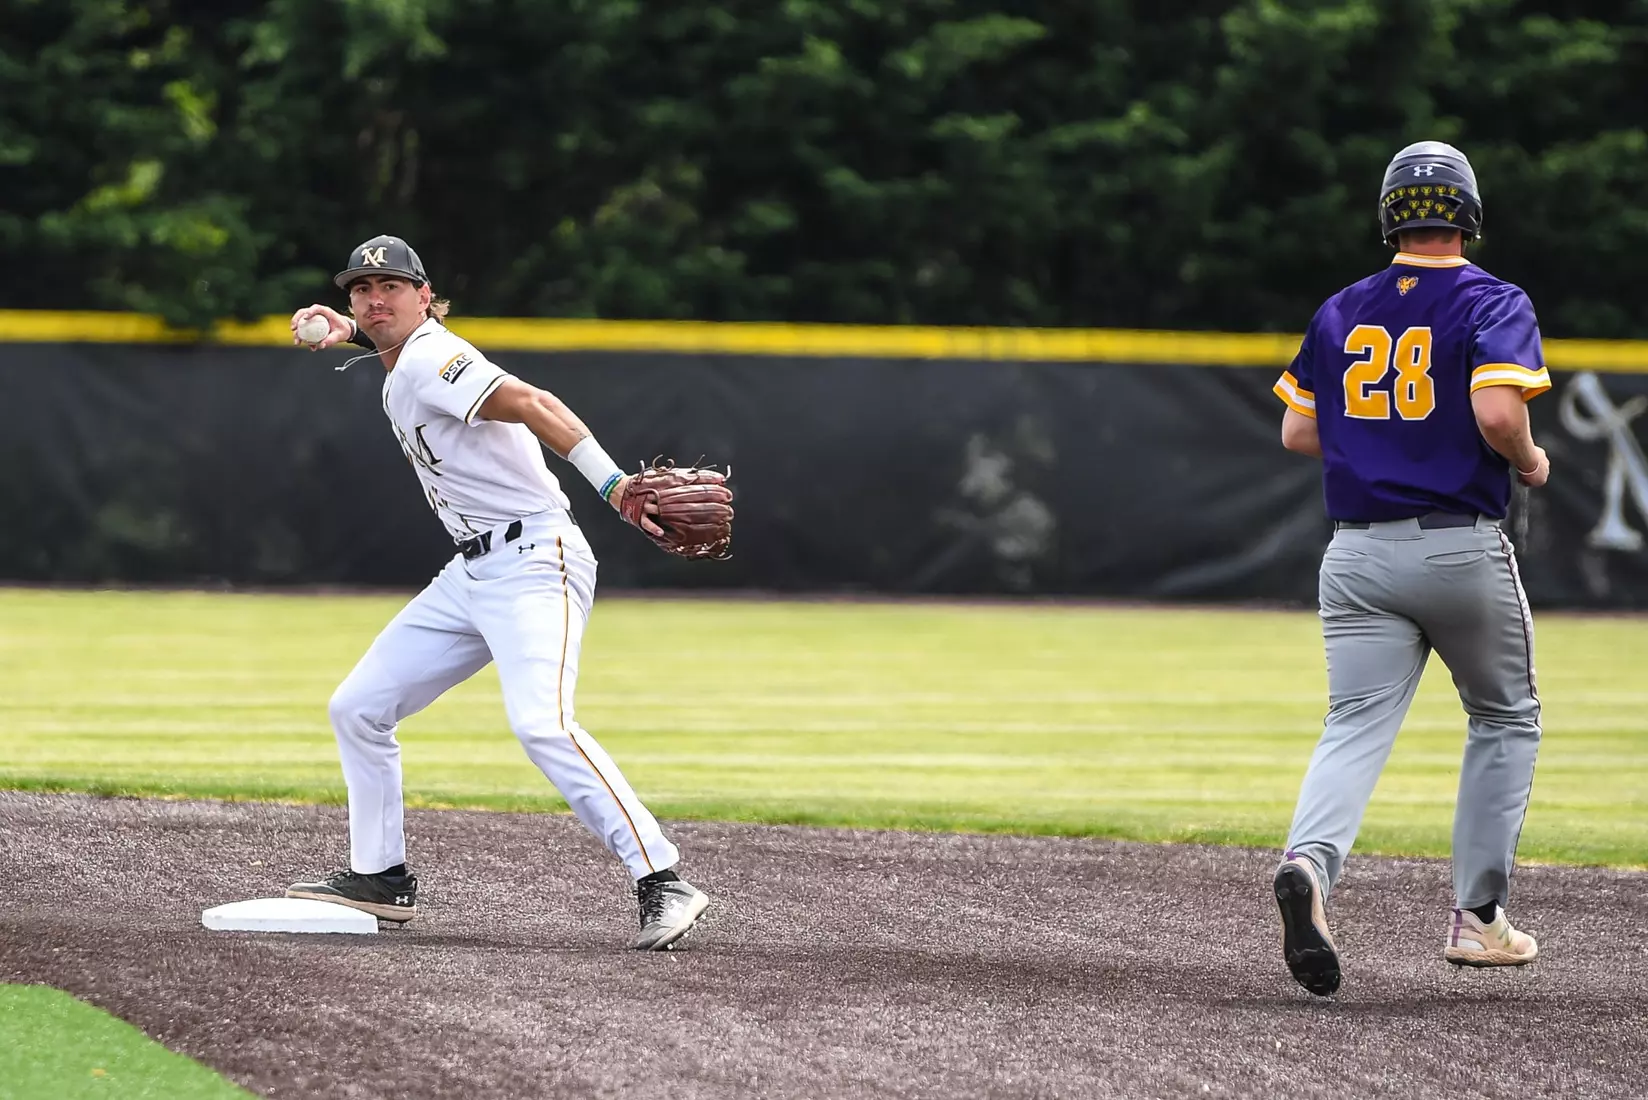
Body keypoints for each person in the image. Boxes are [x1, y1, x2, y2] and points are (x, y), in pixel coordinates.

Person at [283, 234, 711, 951]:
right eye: (362, 289)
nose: (374, 298)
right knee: (359, 707)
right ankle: (379, 877)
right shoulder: (403, 358)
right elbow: (389, 340)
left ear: (427, 297)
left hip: (535, 559)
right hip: (474, 572)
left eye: (391, 286)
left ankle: (663, 877)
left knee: (542, 723)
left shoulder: (433, 357)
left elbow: (536, 401)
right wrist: (346, 329)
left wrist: (614, 485)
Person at [1269, 142, 1551, 996]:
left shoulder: (1341, 307)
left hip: (1355, 552)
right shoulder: (1491, 298)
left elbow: (1298, 433)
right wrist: (1532, 462)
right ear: (1465, 214)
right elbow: (1499, 410)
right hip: (1455, 543)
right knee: (1504, 718)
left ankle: (1310, 868)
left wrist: (1379, 437)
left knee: (1354, 721)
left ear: (1390, 213)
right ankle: (1477, 919)